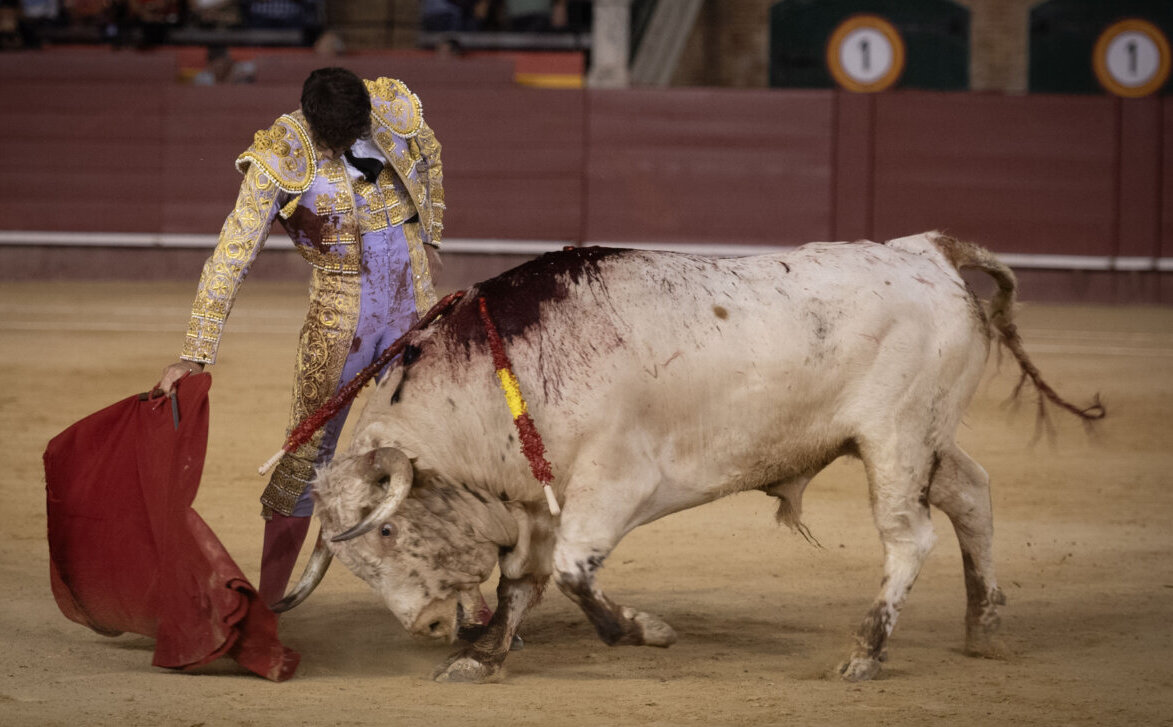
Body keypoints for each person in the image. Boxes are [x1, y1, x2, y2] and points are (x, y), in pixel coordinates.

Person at [157, 67, 445, 609]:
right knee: (307, 455)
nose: (343, 143)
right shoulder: (279, 154)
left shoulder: (388, 112)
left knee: (437, 451)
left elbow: (429, 156)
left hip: (416, 313)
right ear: (312, 123)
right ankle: (269, 603)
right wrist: (194, 354)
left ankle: (465, 598)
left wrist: (427, 231)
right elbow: (233, 253)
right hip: (342, 321)